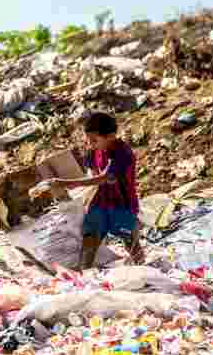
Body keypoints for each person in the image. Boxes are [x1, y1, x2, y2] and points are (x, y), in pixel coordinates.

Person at [31, 111, 142, 270]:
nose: (91, 144)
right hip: (101, 201)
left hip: (122, 203)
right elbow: (93, 175)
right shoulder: (94, 151)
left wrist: (65, 182)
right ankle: (86, 275)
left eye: (95, 140)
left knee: (129, 240)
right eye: (89, 140)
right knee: (90, 239)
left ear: (110, 136)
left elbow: (103, 178)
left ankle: (143, 268)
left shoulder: (122, 152)